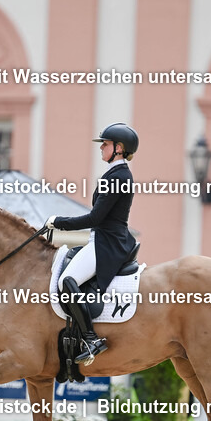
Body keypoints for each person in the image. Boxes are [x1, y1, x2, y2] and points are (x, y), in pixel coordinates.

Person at [44, 123, 139, 363]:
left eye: (105, 144)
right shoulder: (115, 174)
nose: (101, 148)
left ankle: (91, 338)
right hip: (103, 239)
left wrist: (59, 222)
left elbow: (95, 218)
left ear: (119, 148)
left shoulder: (118, 177)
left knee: (68, 281)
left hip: (108, 243)